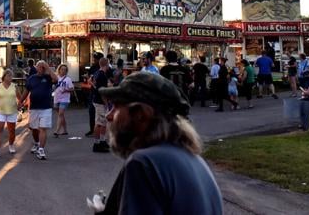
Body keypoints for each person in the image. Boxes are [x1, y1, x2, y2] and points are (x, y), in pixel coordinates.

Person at [91, 72, 223, 214]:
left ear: (140, 113)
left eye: (116, 107)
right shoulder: (193, 159)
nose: (109, 115)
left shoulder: (144, 163)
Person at [18, 60, 59, 160]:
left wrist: (48, 68)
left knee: (43, 128)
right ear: (36, 68)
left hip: (46, 107)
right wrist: (20, 102)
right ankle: (36, 143)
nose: (41, 68)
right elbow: (26, 91)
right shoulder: (32, 78)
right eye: (39, 67)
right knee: (34, 129)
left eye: (43, 67)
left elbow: (56, 79)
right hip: (34, 107)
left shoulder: (48, 77)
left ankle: (41, 149)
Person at [0, 69, 20, 157]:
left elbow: (20, 98)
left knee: (12, 130)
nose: (10, 77)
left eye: (11, 76)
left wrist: (20, 105)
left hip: (12, 111)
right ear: (4, 76)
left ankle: (11, 145)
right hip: (0, 111)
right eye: (8, 75)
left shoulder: (15, 86)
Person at [91, 57, 112, 153]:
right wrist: (106, 103)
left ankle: (101, 141)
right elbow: (102, 91)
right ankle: (97, 144)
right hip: (100, 101)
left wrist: (95, 86)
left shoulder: (97, 73)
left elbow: (91, 81)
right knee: (101, 122)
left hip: (96, 100)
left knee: (100, 122)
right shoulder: (102, 75)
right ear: (106, 64)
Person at [84, 52, 103, 137]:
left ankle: (100, 131)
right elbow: (89, 77)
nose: (94, 59)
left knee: (100, 113)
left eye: (96, 58)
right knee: (91, 111)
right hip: (92, 92)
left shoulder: (104, 68)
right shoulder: (93, 67)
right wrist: (88, 78)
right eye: (94, 58)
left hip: (101, 93)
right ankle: (92, 129)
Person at [53, 64, 73, 137]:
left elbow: (72, 89)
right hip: (56, 98)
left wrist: (66, 90)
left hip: (65, 99)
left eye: (65, 69)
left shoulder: (68, 79)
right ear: (59, 70)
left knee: (60, 114)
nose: (63, 71)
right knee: (61, 115)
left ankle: (57, 131)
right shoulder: (56, 78)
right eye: (62, 69)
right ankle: (65, 130)